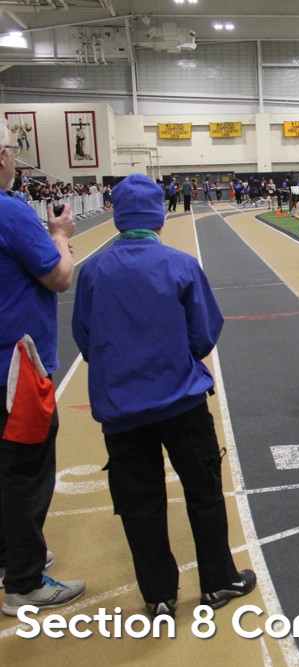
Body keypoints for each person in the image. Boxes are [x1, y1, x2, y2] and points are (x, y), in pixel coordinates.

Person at [71, 173, 256, 620]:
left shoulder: (93, 271)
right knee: (203, 491)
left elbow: (85, 338)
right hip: (181, 400)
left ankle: (158, 596)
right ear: (159, 215)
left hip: (121, 409)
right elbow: (204, 333)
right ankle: (218, 580)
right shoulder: (181, 265)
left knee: (139, 504)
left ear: (118, 216)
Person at [0, 123, 85, 617]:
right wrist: (60, 236)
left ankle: (10, 554)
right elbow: (58, 277)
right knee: (26, 472)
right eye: (13, 151)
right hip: (16, 367)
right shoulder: (10, 211)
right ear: (1, 157)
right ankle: (25, 582)